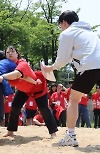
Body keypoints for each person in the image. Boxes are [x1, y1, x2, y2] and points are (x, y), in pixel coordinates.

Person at [41, 10, 100, 146]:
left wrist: (50, 68)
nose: (61, 28)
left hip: (90, 65)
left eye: (60, 25)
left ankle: (71, 136)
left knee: (73, 99)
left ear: (64, 22)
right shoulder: (90, 33)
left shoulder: (67, 33)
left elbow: (62, 60)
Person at [0, 46, 58, 139]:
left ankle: (53, 133)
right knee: (15, 106)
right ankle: (10, 131)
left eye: (12, 51)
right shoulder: (6, 65)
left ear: (17, 54)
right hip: (24, 89)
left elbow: (17, 74)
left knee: (44, 109)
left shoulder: (22, 63)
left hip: (38, 87)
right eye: (7, 52)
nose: (9, 53)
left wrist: (3, 77)